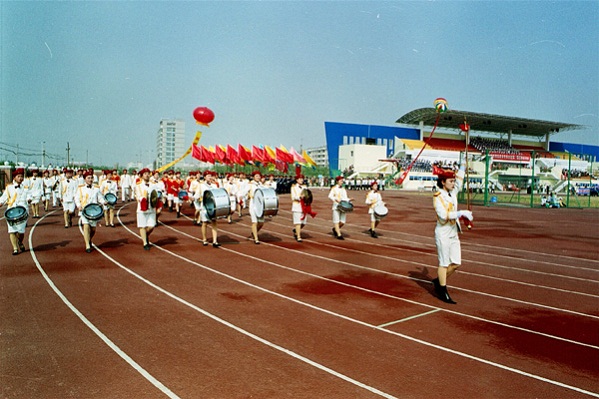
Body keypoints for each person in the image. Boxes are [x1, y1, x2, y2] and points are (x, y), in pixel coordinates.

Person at [431, 168, 473, 304]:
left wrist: (462, 168)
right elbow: (443, 215)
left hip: (453, 231)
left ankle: (438, 281)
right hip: (443, 232)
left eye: (453, 180)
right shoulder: (438, 196)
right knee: (443, 263)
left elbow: (460, 182)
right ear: (443, 182)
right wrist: (460, 213)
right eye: (451, 181)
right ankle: (443, 291)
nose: (453, 183)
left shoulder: (452, 192)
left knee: (456, 263)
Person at [0, 168, 31, 255]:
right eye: (19, 176)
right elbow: (4, 197)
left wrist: (29, 199)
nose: (21, 178)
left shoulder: (25, 188)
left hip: (22, 212)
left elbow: (29, 195)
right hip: (11, 211)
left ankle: (20, 242)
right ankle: (15, 248)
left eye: (22, 176)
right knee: (12, 230)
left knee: (21, 231)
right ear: (14, 177)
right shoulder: (9, 187)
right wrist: (1, 202)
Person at [75, 170, 105, 253]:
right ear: (85, 179)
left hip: (94, 211)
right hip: (84, 210)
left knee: (93, 229)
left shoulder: (96, 188)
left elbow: (100, 198)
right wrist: (79, 205)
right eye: (88, 178)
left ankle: (89, 239)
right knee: (86, 226)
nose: (90, 179)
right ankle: (87, 245)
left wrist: (103, 201)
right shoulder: (80, 188)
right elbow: (77, 198)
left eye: (91, 178)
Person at [196, 170, 221, 247]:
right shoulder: (201, 185)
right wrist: (198, 204)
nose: (210, 177)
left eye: (210, 176)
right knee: (205, 223)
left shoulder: (214, 186)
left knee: (214, 222)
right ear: (205, 177)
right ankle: (204, 239)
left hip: (213, 206)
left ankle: (215, 241)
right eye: (208, 176)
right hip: (204, 206)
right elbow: (197, 196)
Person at [135, 168, 157, 250]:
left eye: (148, 173)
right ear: (142, 175)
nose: (147, 175)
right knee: (142, 226)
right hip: (142, 208)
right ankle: (145, 243)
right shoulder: (138, 185)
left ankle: (145, 235)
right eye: (145, 174)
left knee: (152, 226)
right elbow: (137, 195)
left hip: (151, 208)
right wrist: (142, 199)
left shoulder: (153, 184)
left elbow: (156, 194)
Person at [328, 175, 352, 240]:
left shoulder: (343, 189)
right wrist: (335, 199)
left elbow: (345, 198)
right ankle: (339, 234)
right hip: (336, 206)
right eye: (341, 181)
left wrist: (349, 200)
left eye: (342, 181)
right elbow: (330, 196)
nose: (342, 182)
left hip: (343, 206)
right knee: (336, 220)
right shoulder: (334, 188)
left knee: (342, 222)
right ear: (337, 181)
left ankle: (335, 229)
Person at [290, 174, 313, 242]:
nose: (301, 180)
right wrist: (300, 197)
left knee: (303, 223)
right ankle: (298, 236)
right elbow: (293, 197)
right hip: (297, 206)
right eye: (299, 179)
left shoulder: (305, 187)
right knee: (298, 222)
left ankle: (296, 230)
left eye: (302, 179)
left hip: (304, 207)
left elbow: (308, 195)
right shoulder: (293, 187)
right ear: (297, 180)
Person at [248, 170, 265, 244]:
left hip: (260, 205)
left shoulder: (261, 184)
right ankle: (256, 238)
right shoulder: (250, 184)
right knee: (254, 222)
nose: (258, 177)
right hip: (253, 204)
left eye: (259, 176)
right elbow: (244, 191)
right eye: (256, 176)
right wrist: (240, 196)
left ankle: (254, 232)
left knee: (261, 223)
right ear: (253, 177)